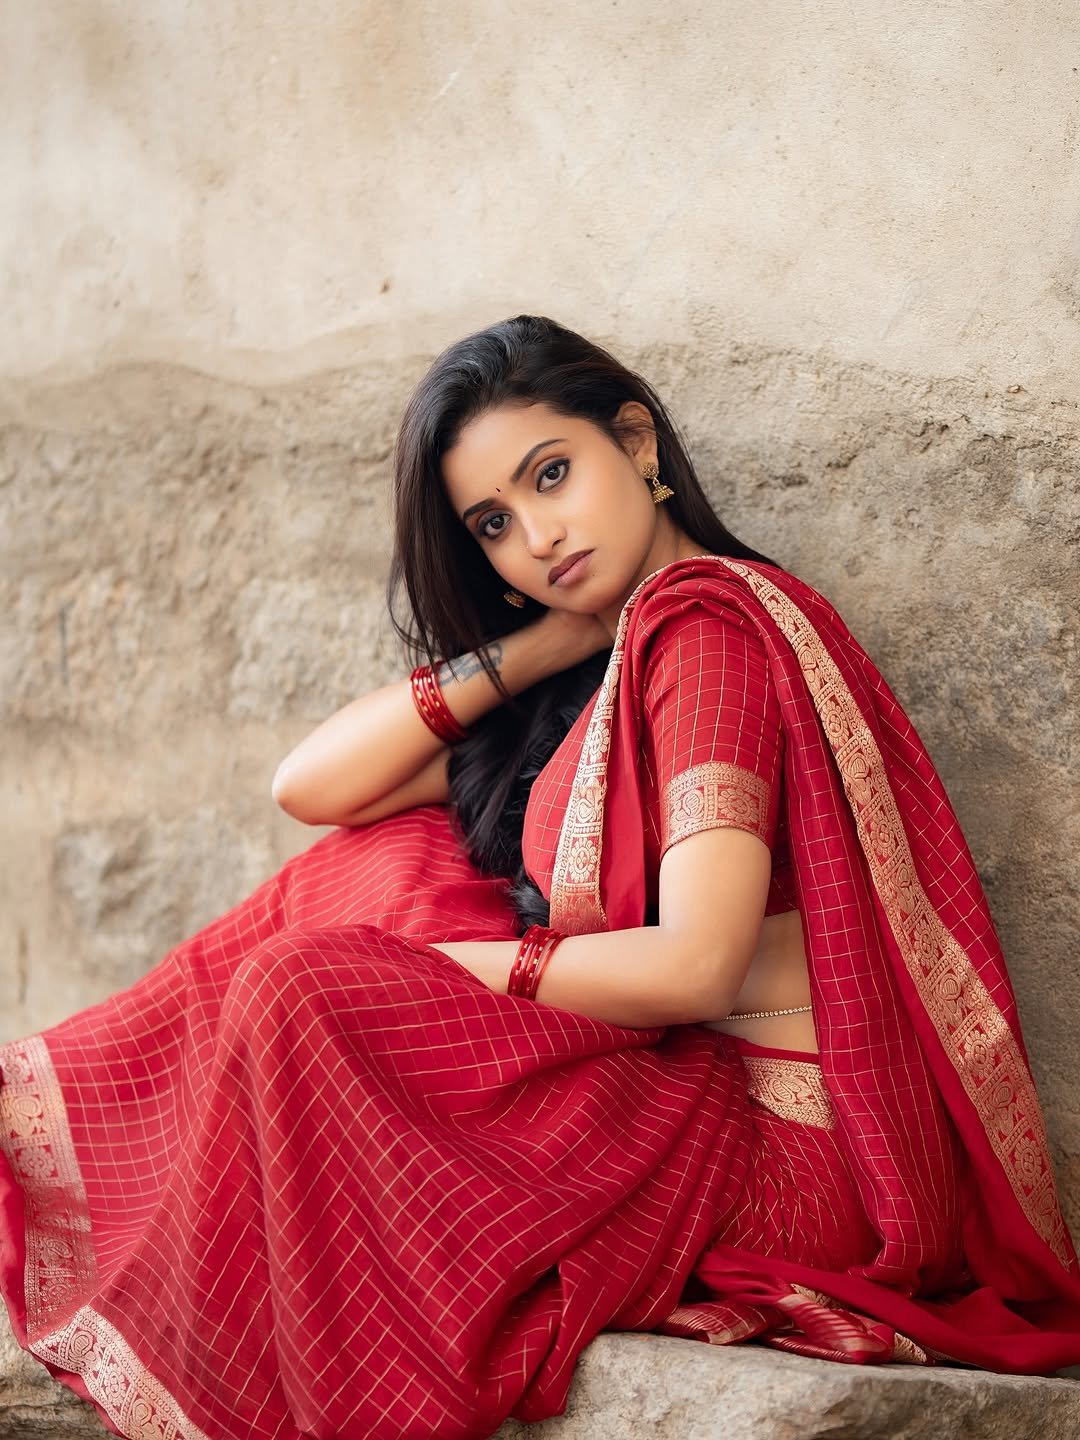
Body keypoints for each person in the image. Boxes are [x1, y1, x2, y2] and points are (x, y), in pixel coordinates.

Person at [1, 315, 1079, 1440]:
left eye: (553, 475)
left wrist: (439, 968)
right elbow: (313, 786)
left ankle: (295, 1373)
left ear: (638, 443)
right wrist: (544, 645)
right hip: (683, 1094)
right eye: (496, 524)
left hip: (781, 1158)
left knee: (309, 990)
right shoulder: (618, 657)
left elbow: (702, 964)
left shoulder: (705, 639)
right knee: (383, 864)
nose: (539, 537)